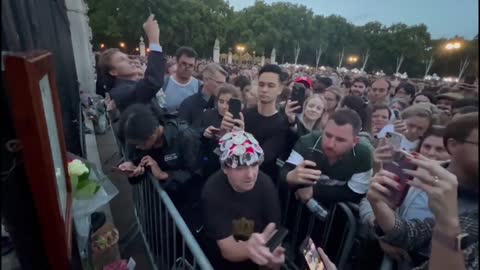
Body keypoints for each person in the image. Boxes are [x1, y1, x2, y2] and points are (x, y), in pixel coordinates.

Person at [367, 112, 478, 270]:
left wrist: (448, 223)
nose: (432, 152)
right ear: (453, 145)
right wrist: (379, 206)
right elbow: (413, 234)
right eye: (427, 146)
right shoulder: (419, 172)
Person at [358, 126, 451, 270]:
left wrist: (391, 235)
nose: (432, 153)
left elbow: (430, 232)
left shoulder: (456, 189)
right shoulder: (406, 173)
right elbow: (370, 200)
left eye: (440, 149)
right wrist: (381, 231)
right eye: (427, 146)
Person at [201, 130, 284, 270]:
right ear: (225, 168)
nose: (250, 175)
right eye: (240, 168)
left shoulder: (265, 183)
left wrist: (272, 256)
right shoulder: (212, 191)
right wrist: (251, 249)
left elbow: (273, 229)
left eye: (254, 164)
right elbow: (227, 250)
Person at [280, 109, 373, 204]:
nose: (330, 144)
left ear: (354, 141)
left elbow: (356, 192)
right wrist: (289, 176)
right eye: (328, 135)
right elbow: (285, 171)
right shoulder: (307, 142)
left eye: (340, 140)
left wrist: (315, 191)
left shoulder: (364, 154)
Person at [116, 104, 202, 205]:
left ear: (152, 136)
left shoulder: (186, 137)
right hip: (154, 204)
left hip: (183, 204)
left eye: (138, 145)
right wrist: (133, 167)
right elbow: (138, 162)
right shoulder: (139, 138)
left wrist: (165, 175)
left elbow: (196, 175)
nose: (136, 148)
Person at [221, 64, 292, 182]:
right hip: (233, 180)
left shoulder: (282, 124)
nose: (264, 90)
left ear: (280, 89)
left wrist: (242, 136)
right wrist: (223, 132)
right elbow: (225, 152)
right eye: (261, 84)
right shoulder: (243, 115)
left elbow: (261, 158)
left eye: (271, 86)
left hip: (262, 183)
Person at [98, 15, 166, 112]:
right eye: (122, 60)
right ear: (113, 72)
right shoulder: (119, 92)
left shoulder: (134, 84)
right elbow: (152, 82)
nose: (130, 61)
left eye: (128, 57)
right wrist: (154, 39)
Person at [195, 84, 243, 177]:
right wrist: (204, 132)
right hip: (207, 163)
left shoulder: (239, 120)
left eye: (228, 103)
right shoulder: (208, 114)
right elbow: (193, 131)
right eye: (221, 101)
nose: (224, 106)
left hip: (229, 167)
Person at [161, 46, 201, 114]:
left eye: (190, 65)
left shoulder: (200, 86)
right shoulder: (164, 83)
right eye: (184, 64)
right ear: (177, 61)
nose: (187, 68)